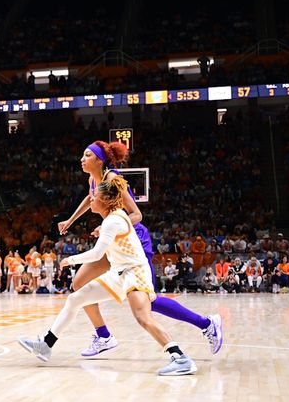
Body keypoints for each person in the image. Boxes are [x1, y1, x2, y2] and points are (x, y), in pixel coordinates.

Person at [19, 176, 199, 375]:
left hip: (134, 273)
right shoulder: (113, 218)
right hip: (118, 273)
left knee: (143, 318)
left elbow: (96, 254)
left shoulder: (113, 221)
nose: (91, 199)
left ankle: (181, 358)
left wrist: (69, 260)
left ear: (104, 200)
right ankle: (46, 344)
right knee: (75, 299)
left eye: (94, 196)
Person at [57, 141, 222, 357]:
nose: (81, 159)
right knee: (79, 284)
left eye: (86, 154)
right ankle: (103, 335)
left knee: (147, 303)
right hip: (115, 243)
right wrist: (70, 220)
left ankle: (206, 323)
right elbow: (90, 199)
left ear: (99, 160)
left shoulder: (113, 179)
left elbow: (136, 214)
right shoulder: (92, 180)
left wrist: (112, 224)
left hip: (134, 242)